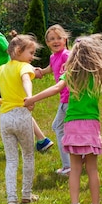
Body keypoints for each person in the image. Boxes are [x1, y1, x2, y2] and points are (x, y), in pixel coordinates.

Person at [25, 34, 102, 204]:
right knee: (92, 169)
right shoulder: (101, 76)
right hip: (91, 126)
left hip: (72, 125)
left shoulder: (69, 74)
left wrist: (31, 99)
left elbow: (54, 89)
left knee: (75, 169)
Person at [0, 7, 53, 153]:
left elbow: (15, 52)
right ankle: (42, 140)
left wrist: (29, 68)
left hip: (3, 81)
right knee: (19, 109)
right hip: (2, 80)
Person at [0, 34, 40, 204]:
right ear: (18, 51)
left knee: (11, 160)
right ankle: (26, 195)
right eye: (31, 52)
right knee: (28, 155)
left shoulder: (1, 69)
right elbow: (25, 79)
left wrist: (1, 103)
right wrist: (29, 97)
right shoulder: (24, 67)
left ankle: (11, 200)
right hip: (22, 116)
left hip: (6, 118)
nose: (32, 57)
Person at [34, 24, 72, 176]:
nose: (56, 41)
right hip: (64, 98)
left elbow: (73, 68)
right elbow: (51, 67)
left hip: (69, 98)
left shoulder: (66, 55)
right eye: (51, 39)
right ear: (47, 43)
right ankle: (78, 158)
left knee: (59, 128)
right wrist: (40, 72)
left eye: (59, 38)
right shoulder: (53, 56)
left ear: (65, 39)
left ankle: (68, 166)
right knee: (61, 127)